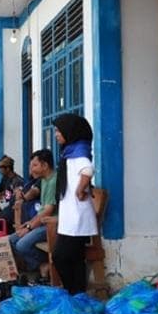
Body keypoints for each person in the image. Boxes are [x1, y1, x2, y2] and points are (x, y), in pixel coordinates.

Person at [51, 115, 97, 295]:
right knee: (76, 258)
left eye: (58, 131)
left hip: (77, 215)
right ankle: (78, 295)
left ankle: (73, 291)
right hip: (70, 214)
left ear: (69, 131)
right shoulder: (71, 151)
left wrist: (80, 188)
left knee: (60, 256)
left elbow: (88, 169)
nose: (56, 135)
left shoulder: (78, 152)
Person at [10, 149, 58, 274]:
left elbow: (48, 211)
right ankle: (42, 265)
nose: (31, 170)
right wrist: (27, 224)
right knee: (12, 240)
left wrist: (29, 227)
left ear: (45, 165)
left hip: (53, 224)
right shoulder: (44, 180)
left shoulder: (53, 181)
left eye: (35, 165)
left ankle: (46, 265)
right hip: (42, 222)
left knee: (21, 245)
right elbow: (36, 198)